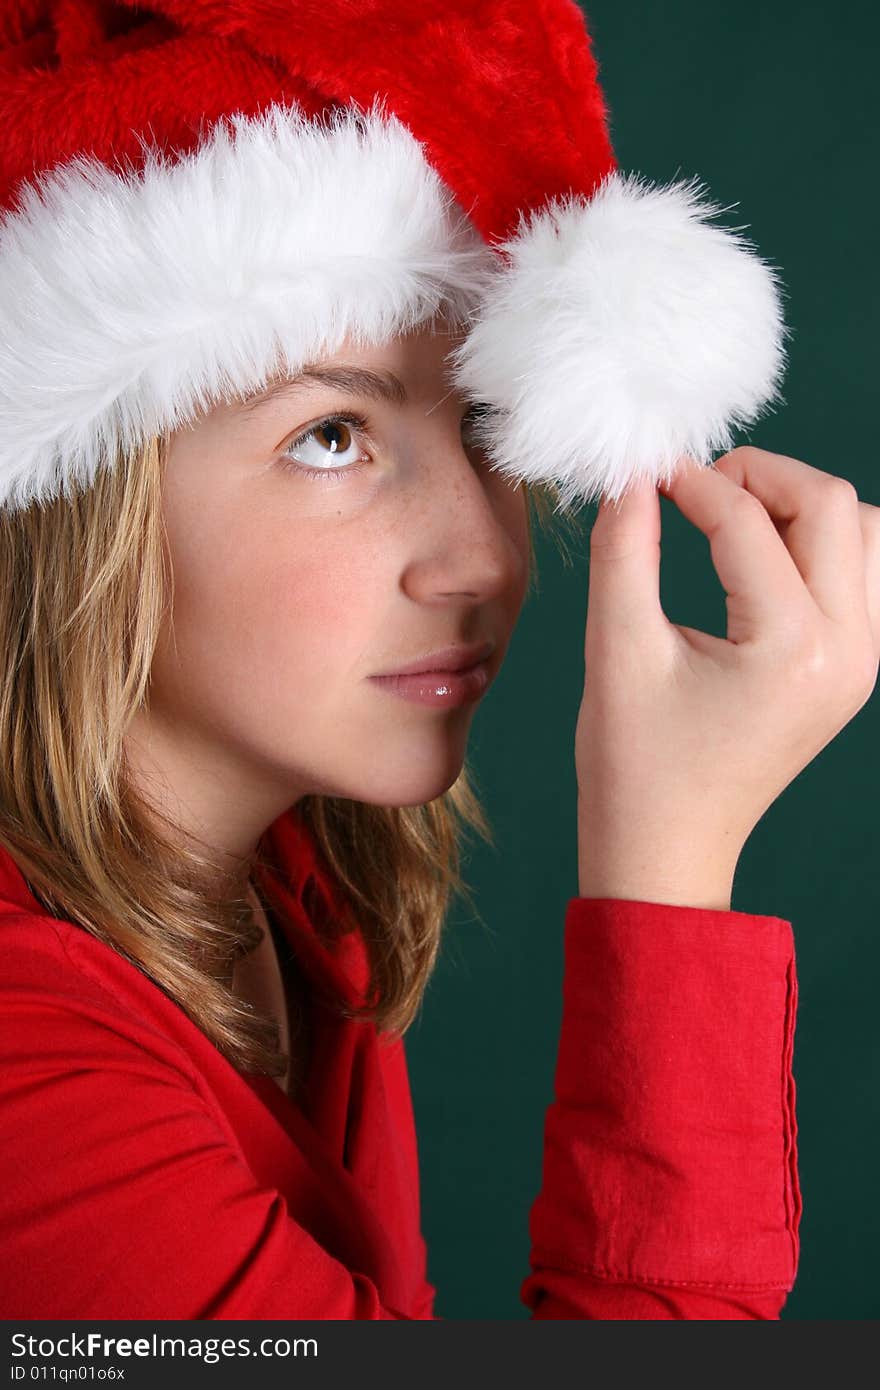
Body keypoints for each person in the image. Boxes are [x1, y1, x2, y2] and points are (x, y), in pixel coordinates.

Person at [0, 1, 877, 1320]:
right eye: (333, 435)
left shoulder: (298, 895)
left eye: (485, 419)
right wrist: (673, 878)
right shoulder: (28, 1078)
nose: (480, 552)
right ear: (81, 496)